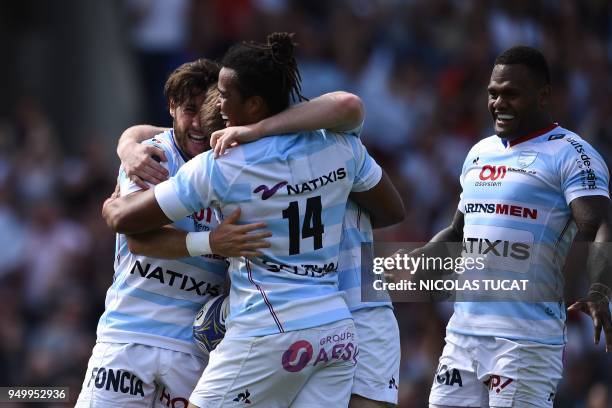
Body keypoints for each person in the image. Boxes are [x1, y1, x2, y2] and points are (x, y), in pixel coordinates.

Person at [102, 32, 405, 407]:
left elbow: (127, 220)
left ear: (254, 104)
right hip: (336, 325)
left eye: (225, 95)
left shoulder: (224, 166)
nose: (219, 103)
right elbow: (393, 208)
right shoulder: (340, 145)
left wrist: (111, 203)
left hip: (271, 326)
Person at [422, 46, 612, 408]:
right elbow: (457, 232)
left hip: (525, 341)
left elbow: (601, 224)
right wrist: (420, 260)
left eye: (511, 93)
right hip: (463, 336)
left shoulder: (572, 153)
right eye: (493, 93)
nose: (498, 103)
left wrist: (600, 289)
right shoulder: (479, 152)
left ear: (543, 96)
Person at [76, 59, 271, 407]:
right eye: (188, 109)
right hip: (128, 336)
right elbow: (137, 237)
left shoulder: (233, 163)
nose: (197, 122)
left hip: (193, 349)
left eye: (206, 109)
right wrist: (211, 242)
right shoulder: (151, 155)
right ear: (171, 108)